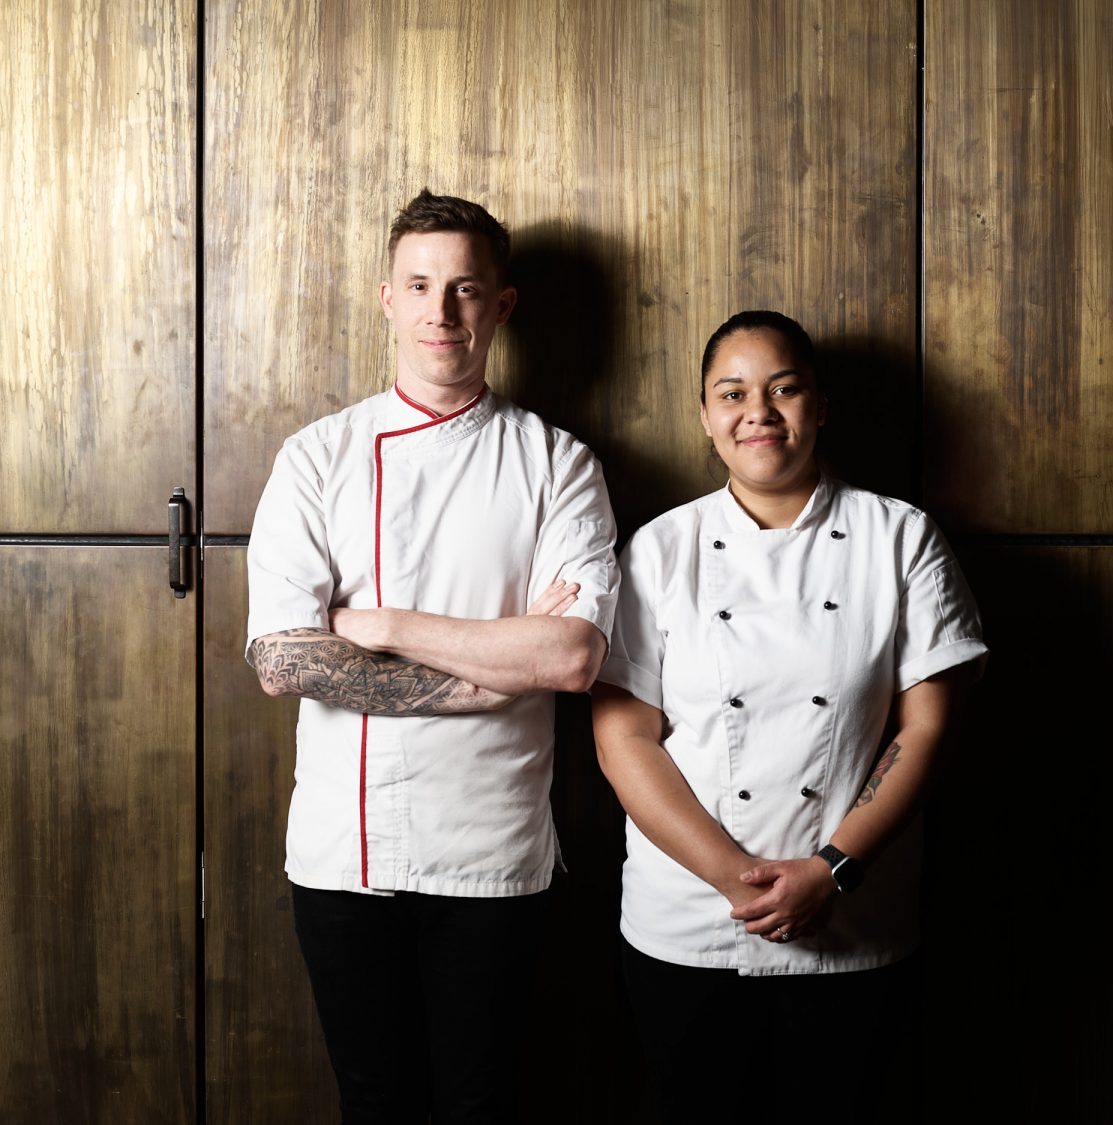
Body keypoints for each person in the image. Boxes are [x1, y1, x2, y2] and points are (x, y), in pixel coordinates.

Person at [245, 189, 618, 1124]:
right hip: (343, 850)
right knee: (373, 1102)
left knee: (482, 1104)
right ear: (387, 298)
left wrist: (380, 623)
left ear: (501, 305)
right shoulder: (316, 457)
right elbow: (285, 662)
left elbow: (571, 656)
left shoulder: (558, 463)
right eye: (418, 285)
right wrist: (488, 679)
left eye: (464, 288)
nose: (440, 311)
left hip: (492, 847)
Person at [591, 310, 987, 1124]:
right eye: (731, 393)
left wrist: (829, 869)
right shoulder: (660, 549)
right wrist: (729, 877)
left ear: (819, 405)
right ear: (705, 417)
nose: (757, 413)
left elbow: (925, 729)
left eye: (783, 389)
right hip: (687, 920)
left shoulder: (899, 537)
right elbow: (623, 735)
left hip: (854, 922)